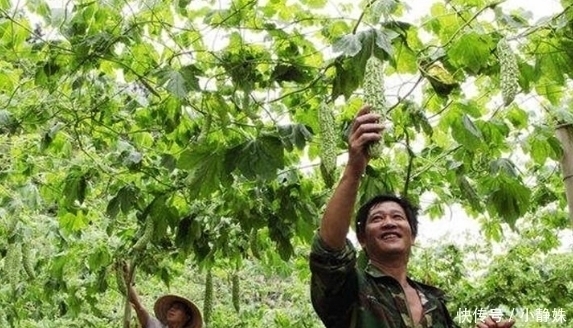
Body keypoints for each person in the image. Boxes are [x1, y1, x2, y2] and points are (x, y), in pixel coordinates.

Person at [309, 106, 515, 328]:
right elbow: (328, 254)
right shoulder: (351, 288)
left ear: (413, 235)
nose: (389, 222)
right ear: (362, 239)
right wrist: (354, 168)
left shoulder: (435, 303)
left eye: (397, 217)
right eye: (377, 219)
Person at [122, 264, 203, 328]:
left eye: (178, 308)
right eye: (171, 307)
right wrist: (127, 279)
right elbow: (139, 307)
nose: (172, 309)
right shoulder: (156, 326)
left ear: (187, 317)